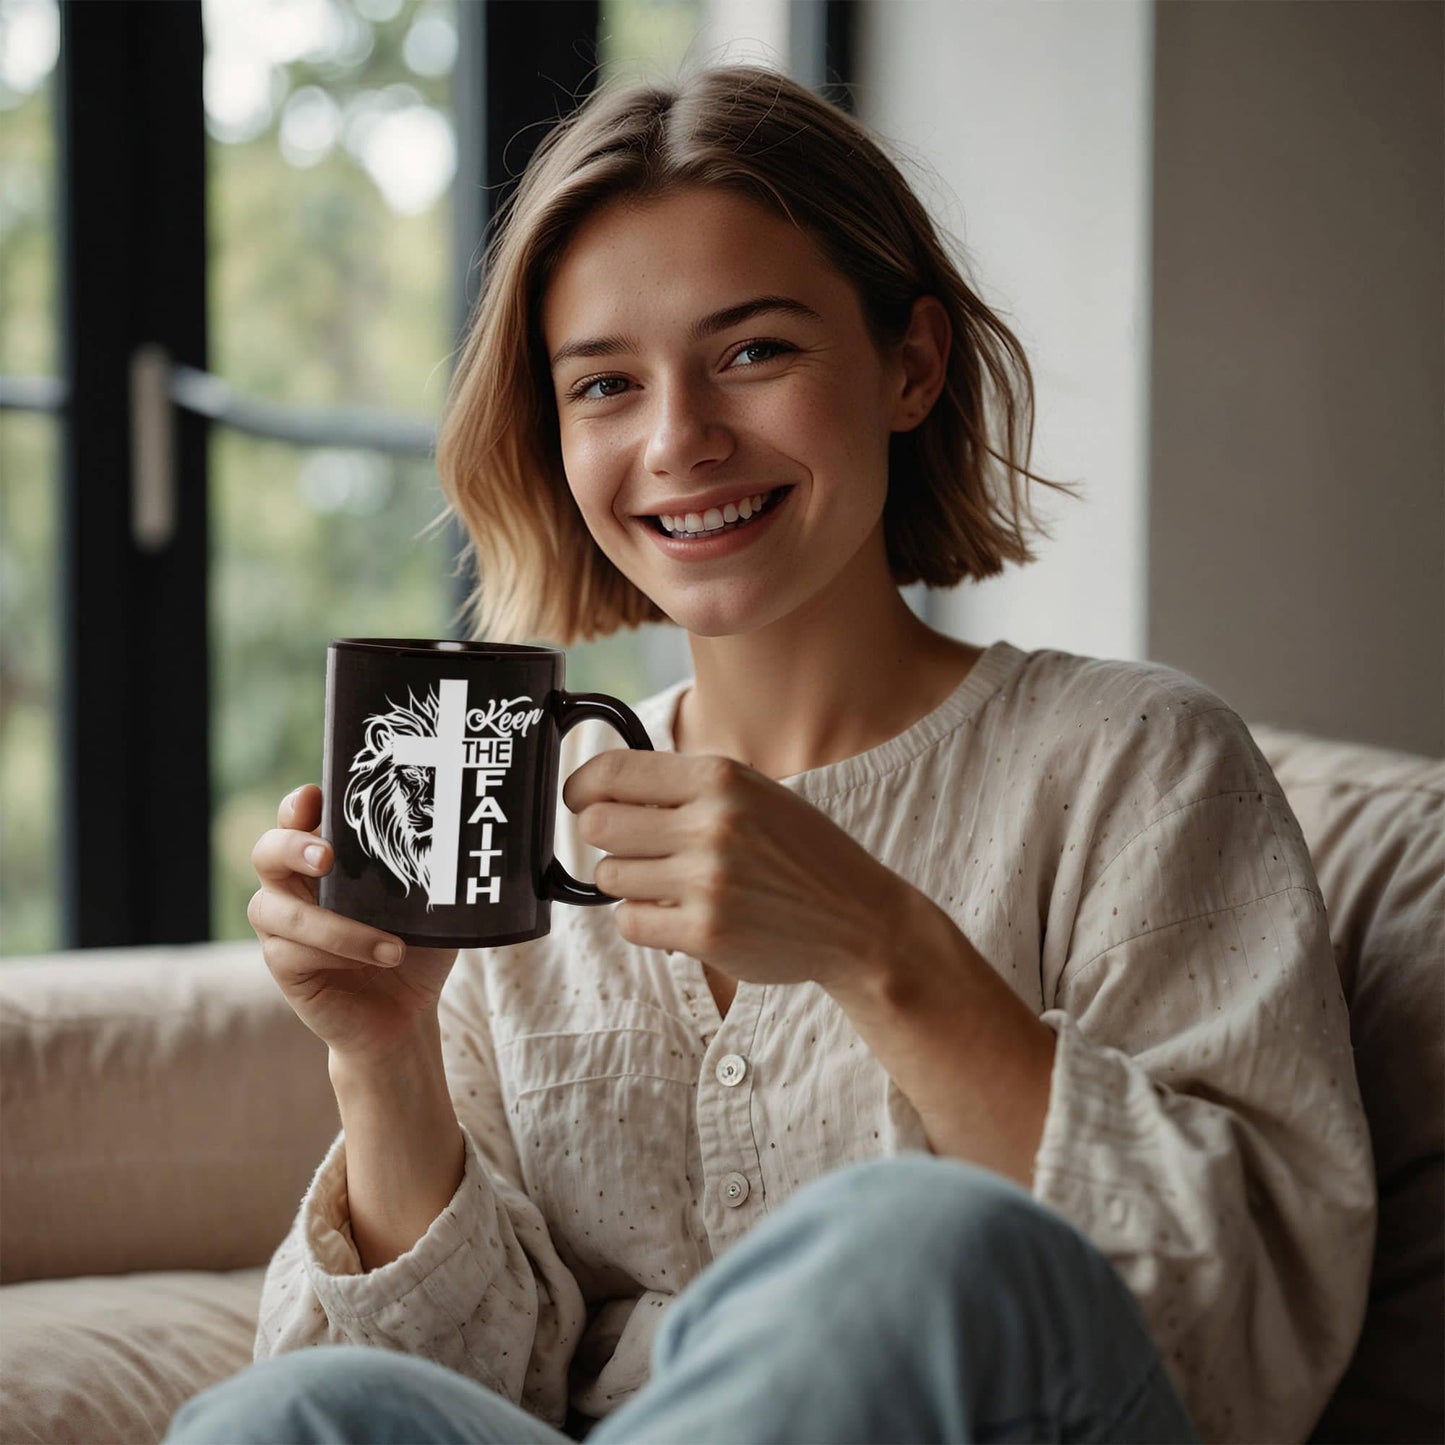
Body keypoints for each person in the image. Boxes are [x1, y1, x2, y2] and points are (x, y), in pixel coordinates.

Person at [166, 65, 1374, 1445]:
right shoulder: (524, 836)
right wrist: (383, 1065)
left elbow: (1252, 1333)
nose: (678, 439)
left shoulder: (1135, 765)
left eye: (753, 352)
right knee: (307, 1406)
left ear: (908, 366)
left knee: (921, 1244)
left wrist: (879, 946)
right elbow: (475, 1403)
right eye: (606, 384)